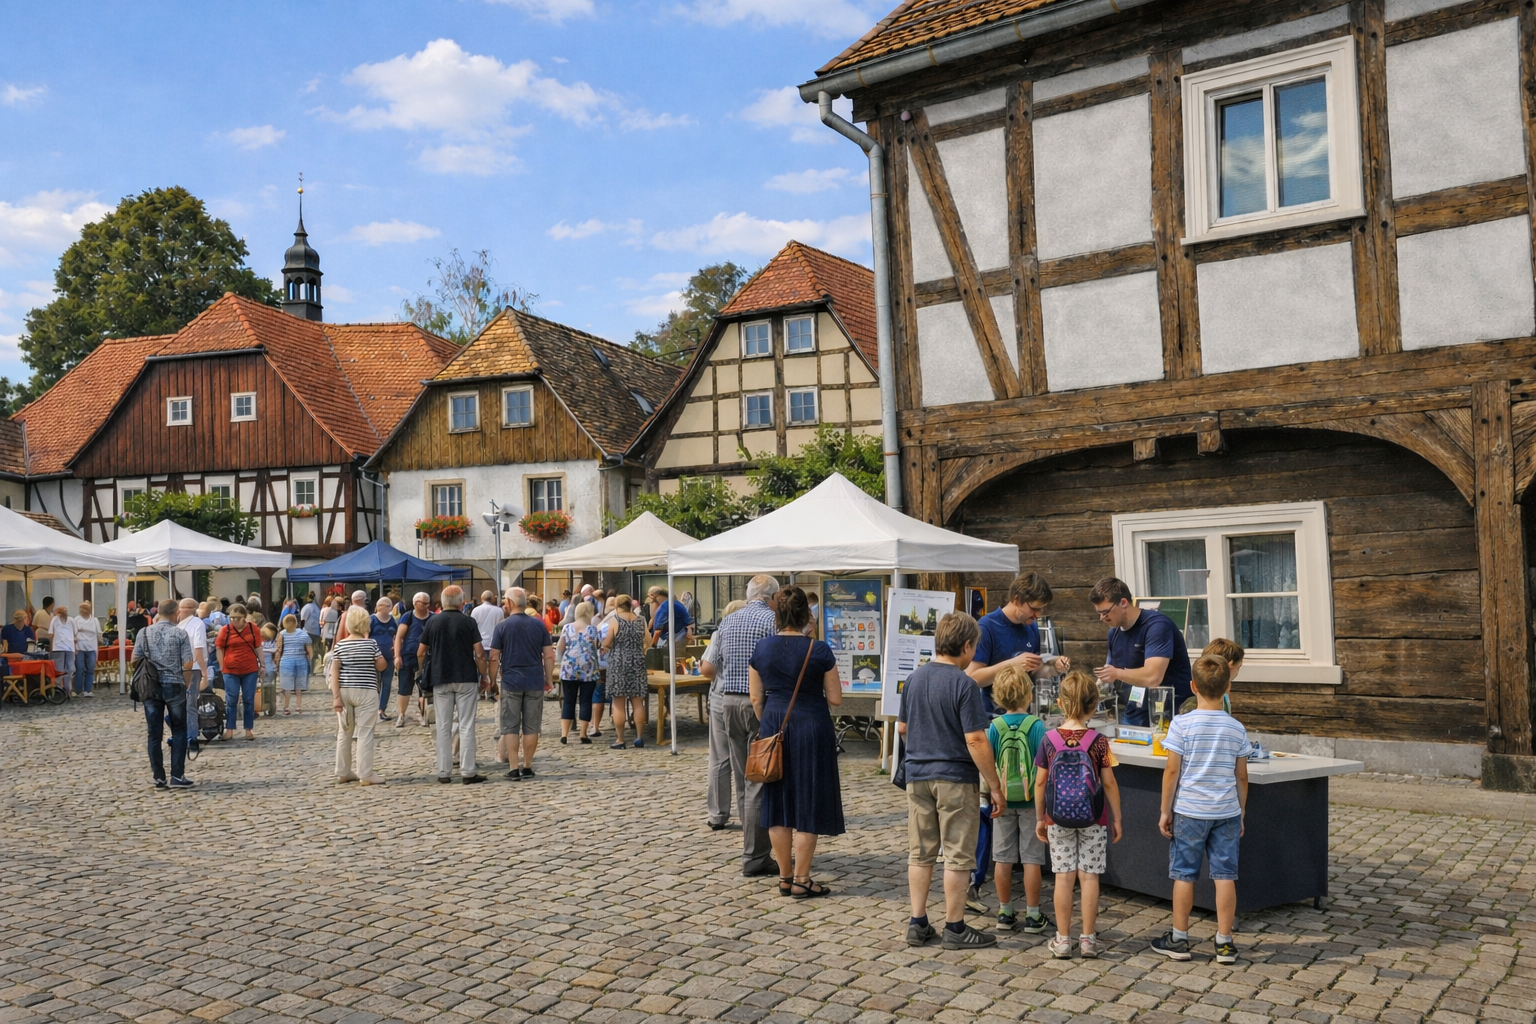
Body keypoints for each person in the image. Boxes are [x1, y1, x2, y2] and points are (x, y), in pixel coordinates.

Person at [899, 611, 1005, 950]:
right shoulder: (964, 684)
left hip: (917, 775)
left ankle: (917, 923)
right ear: (967, 646)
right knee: (958, 855)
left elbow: (902, 728)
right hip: (955, 778)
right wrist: (995, 784)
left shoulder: (914, 679)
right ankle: (955, 927)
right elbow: (975, 739)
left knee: (921, 852)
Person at [1151, 654, 1249, 965]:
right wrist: (1241, 812)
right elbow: (1242, 776)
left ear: (1193, 686)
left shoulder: (1181, 724)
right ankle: (1224, 941)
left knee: (1184, 874)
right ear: (1228, 687)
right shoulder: (1236, 728)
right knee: (1225, 875)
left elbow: (1171, 772)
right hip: (1226, 811)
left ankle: (1179, 938)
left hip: (1190, 810)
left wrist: (1165, 810)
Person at [749, 585, 843, 899]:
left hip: (775, 724)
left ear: (777, 614)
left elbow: (755, 698)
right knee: (809, 802)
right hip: (813, 726)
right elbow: (836, 698)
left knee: (777, 804)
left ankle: (785, 878)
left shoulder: (762, 648)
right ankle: (803, 878)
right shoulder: (819, 651)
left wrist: (769, 724)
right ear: (806, 614)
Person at [1033, 669, 1123, 960]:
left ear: (1060, 703)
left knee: (1063, 876)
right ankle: (1088, 940)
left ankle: (1062, 940)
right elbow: (1108, 782)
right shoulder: (1098, 741)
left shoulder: (1049, 740)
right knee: (1090, 877)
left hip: (1057, 818)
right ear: (1094, 706)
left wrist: (1040, 817)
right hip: (1094, 819)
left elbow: (1040, 782)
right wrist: (1117, 818)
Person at [700, 576, 778, 876]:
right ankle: (755, 854)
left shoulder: (728, 623)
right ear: (770, 597)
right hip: (758, 703)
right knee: (759, 779)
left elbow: (711, 666)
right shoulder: (772, 621)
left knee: (743, 777)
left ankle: (753, 846)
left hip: (729, 702)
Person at [987, 666, 1051, 935]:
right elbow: (1043, 767)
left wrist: (991, 794)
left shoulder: (995, 726)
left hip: (1002, 800)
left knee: (1002, 858)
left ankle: (1004, 911)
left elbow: (988, 763)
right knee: (1031, 859)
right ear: (1029, 695)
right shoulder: (1036, 725)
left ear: (997, 697)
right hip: (1030, 801)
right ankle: (1033, 916)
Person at [1090, 576, 1193, 726]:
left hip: (1169, 714)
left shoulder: (1157, 626)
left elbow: (1153, 677)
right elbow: (1107, 673)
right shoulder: (1114, 632)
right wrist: (1089, 697)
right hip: (1135, 711)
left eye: (1105, 612)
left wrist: (1117, 673)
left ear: (1123, 603)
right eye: (1099, 613)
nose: (1102, 618)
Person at [967, 572, 1069, 714]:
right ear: (1016, 600)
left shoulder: (1031, 627)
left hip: (1024, 717)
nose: (1038, 615)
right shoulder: (986, 627)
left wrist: (1054, 667)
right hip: (992, 719)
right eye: (1034, 608)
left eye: (1041, 609)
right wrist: (1012, 664)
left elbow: (1034, 673)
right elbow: (972, 678)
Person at [419, 585, 487, 784]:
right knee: (466, 725)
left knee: (443, 725)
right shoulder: (468, 622)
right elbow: (480, 653)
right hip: (466, 677)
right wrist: (484, 677)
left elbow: (420, 651)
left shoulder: (433, 622)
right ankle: (468, 771)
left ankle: (443, 772)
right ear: (461, 602)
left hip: (441, 677)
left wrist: (423, 670)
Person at [490, 588, 554, 778]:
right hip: (534, 680)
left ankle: (513, 767)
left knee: (510, 726)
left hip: (511, 681)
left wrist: (492, 681)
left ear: (510, 602)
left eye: (504, 602)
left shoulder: (502, 626)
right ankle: (527, 765)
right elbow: (549, 655)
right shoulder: (539, 625)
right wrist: (549, 679)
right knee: (531, 726)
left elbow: (494, 657)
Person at [132, 600, 195, 789]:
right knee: (179, 730)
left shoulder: (143, 633)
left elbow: (135, 658)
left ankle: (158, 776)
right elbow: (188, 664)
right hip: (175, 684)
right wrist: (186, 683)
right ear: (177, 612)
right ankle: (177, 775)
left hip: (151, 686)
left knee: (154, 733)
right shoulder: (180, 634)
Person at [331, 606, 388, 786]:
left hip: (345, 690)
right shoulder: (370, 644)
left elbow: (335, 672)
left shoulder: (340, 645)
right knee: (365, 732)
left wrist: (336, 697)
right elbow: (381, 666)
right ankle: (365, 773)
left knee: (344, 732)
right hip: (366, 691)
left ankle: (343, 771)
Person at [600, 594, 649, 749]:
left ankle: (620, 739)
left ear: (617, 606)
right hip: (637, 662)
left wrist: (605, 645)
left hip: (618, 664)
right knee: (638, 702)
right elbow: (649, 640)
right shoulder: (640, 620)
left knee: (618, 703)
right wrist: (642, 648)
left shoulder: (615, 620)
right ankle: (640, 737)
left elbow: (607, 642)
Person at [555, 600, 600, 745]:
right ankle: (583, 734)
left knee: (569, 701)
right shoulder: (593, 630)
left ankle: (564, 734)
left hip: (569, 669)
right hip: (588, 670)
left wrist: (561, 662)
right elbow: (596, 648)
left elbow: (560, 648)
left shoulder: (567, 628)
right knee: (585, 701)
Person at [217, 604, 262, 741]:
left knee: (248, 700)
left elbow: (258, 647)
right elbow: (219, 648)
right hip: (230, 670)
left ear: (244, 618)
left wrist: (263, 664)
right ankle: (229, 729)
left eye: (237, 618)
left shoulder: (253, 629)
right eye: (231, 618)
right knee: (231, 699)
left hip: (250, 669)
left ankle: (248, 729)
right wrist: (221, 666)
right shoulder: (226, 630)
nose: (234, 621)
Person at [394, 592, 434, 728]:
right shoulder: (408, 617)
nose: (426, 605)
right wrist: (397, 656)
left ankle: (424, 715)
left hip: (428, 657)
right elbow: (399, 637)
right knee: (404, 688)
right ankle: (401, 714)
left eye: (428, 602)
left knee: (425, 688)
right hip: (408, 656)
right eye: (423, 603)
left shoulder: (433, 617)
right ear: (415, 603)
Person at [178, 598, 210, 747]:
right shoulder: (197, 624)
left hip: (184, 667)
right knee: (190, 703)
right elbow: (198, 649)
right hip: (191, 668)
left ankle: (186, 734)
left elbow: (198, 649)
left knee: (183, 702)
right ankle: (190, 736)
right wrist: (204, 672)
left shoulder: (182, 624)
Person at [590, 595, 617, 739]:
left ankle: (595, 726)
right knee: (616, 695)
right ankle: (615, 720)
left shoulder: (601, 625)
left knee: (598, 695)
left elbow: (594, 644)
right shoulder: (618, 624)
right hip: (615, 665)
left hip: (600, 665)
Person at [275, 613, 313, 714]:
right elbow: (310, 651)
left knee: (287, 687)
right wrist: (309, 659)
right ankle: (298, 707)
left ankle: (286, 707)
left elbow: (278, 649)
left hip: (286, 662)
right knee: (299, 687)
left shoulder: (282, 634)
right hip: (301, 661)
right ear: (296, 622)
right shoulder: (303, 634)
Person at [470, 590, 505, 698]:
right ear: (493, 599)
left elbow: (472, 627)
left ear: (482, 598)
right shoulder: (499, 611)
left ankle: (482, 688)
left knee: (481, 669)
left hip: (480, 643)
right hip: (495, 642)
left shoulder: (476, 610)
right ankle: (492, 688)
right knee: (493, 668)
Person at [369, 598, 399, 722]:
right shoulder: (372, 619)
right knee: (374, 683)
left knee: (387, 683)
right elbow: (366, 635)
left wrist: (396, 646)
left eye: (389, 605)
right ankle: (372, 709)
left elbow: (397, 635)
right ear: (379, 606)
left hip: (389, 656)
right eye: (386, 605)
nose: (389, 607)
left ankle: (382, 710)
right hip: (374, 656)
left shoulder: (393, 620)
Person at [649, 585, 692, 650]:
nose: (650, 605)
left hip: (672, 643)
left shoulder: (664, 608)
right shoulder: (677, 605)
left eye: (651, 602)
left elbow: (657, 632)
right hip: (677, 641)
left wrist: (651, 649)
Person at [73, 601, 100, 697]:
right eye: (81, 609)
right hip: (80, 647)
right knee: (79, 669)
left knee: (90, 669)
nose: (82, 611)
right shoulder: (76, 620)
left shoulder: (94, 620)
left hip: (91, 647)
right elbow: (74, 633)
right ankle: (78, 690)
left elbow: (98, 633)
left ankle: (87, 690)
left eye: (84, 609)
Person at [49, 604, 76, 696]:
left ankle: (59, 689)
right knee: (69, 668)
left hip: (58, 647)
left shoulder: (55, 619)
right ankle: (67, 689)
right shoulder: (71, 620)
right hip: (69, 647)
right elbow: (75, 633)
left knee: (59, 669)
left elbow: (51, 634)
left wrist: (51, 646)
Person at [300, 593, 322, 668]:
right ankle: (312, 668)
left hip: (308, 632)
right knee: (314, 651)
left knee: (307, 651)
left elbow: (303, 620)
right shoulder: (316, 607)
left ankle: (308, 668)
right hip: (316, 632)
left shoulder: (306, 608)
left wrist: (300, 629)